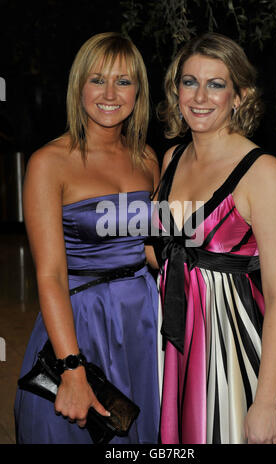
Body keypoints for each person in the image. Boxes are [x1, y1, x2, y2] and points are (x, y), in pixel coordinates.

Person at [14, 32, 160, 444]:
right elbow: (50, 276)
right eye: (97, 79)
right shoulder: (49, 163)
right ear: (79, 86)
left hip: (142, 322)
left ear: (138, 92)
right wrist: (72, 368)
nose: (110, 93)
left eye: (124, 81)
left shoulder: (147, 158)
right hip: (80, 321)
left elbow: (153, 249)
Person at [154, 32, 276, 444]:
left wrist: (265, 401)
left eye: (216, 84)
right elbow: (166, 256)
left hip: (237, 354)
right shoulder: (172, 158)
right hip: (178, 345)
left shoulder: (262, 173)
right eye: (189, 81)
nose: (200, 96)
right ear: (175, 89)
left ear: (239, 95)